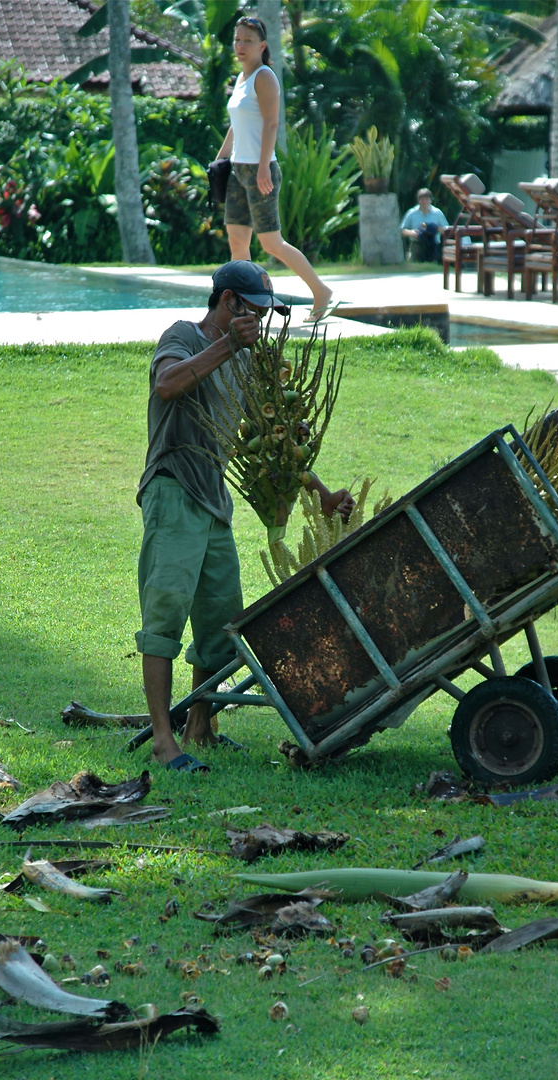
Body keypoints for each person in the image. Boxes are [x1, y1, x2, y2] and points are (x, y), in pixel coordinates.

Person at [135, 261, 354, 772]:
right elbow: (166, 384)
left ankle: (202, 728)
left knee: (220, 623)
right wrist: (228, 345)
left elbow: (275, 445)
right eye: (256, 311)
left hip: (214, 504)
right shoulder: (184, 336)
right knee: (164, 617)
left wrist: (320, 492)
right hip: (174, 490)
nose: (263, 322)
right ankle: (165, 743)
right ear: (229, 301)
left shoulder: (249, 362)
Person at [214, 16, 335, 323]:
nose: (240, 46)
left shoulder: (264, 77)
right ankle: (241, 308)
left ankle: (321, 292)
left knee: (271, 242)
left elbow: (271, 123)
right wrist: (220, 159)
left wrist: (265, 166)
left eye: (247, 41)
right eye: (237, 40)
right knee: (237, 243)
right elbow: (237, 124)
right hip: (238, 169)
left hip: (259, 170)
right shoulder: (242, 78)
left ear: (262, 46)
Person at [400, 188, 449, 263]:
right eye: (422, 199)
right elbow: (401, 230)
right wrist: (411, 233)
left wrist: (435, 229)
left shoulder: (437, 213)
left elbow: (447, 230)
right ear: (418, 200)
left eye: (426, 199)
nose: (424, 202)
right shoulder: (412, 213)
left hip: (433, 247)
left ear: (431, 200)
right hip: (416, 246)